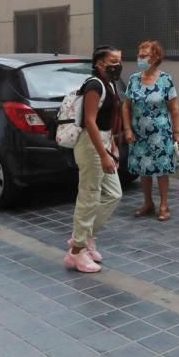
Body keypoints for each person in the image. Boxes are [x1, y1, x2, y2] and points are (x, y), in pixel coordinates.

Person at [65, 45, 124, 273]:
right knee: (89, 196)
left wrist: (112, 146)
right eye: (112, 61)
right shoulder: (94, 85)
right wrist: (103, 154)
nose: (117, 65)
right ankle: (76, 252)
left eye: (119, 60)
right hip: (91, 144)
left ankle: (85, 237)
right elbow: (90, 121)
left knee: (113, 194)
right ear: (99, 63)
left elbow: (109, 119)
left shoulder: (109, 83)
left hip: (103, 141)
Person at [122, 40, 179, 221]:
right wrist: (127, 129)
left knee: (162, 169)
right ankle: (148, 203)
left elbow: (174, 108)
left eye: (143, 56)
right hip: (139, 133)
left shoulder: (166, 80)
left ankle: (164, 205)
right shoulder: (133, 79)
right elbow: (126, 107)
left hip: (161, 132)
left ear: (155, 57)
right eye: (139, 55)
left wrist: (177, 132)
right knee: (143, 168)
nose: (139, 59)